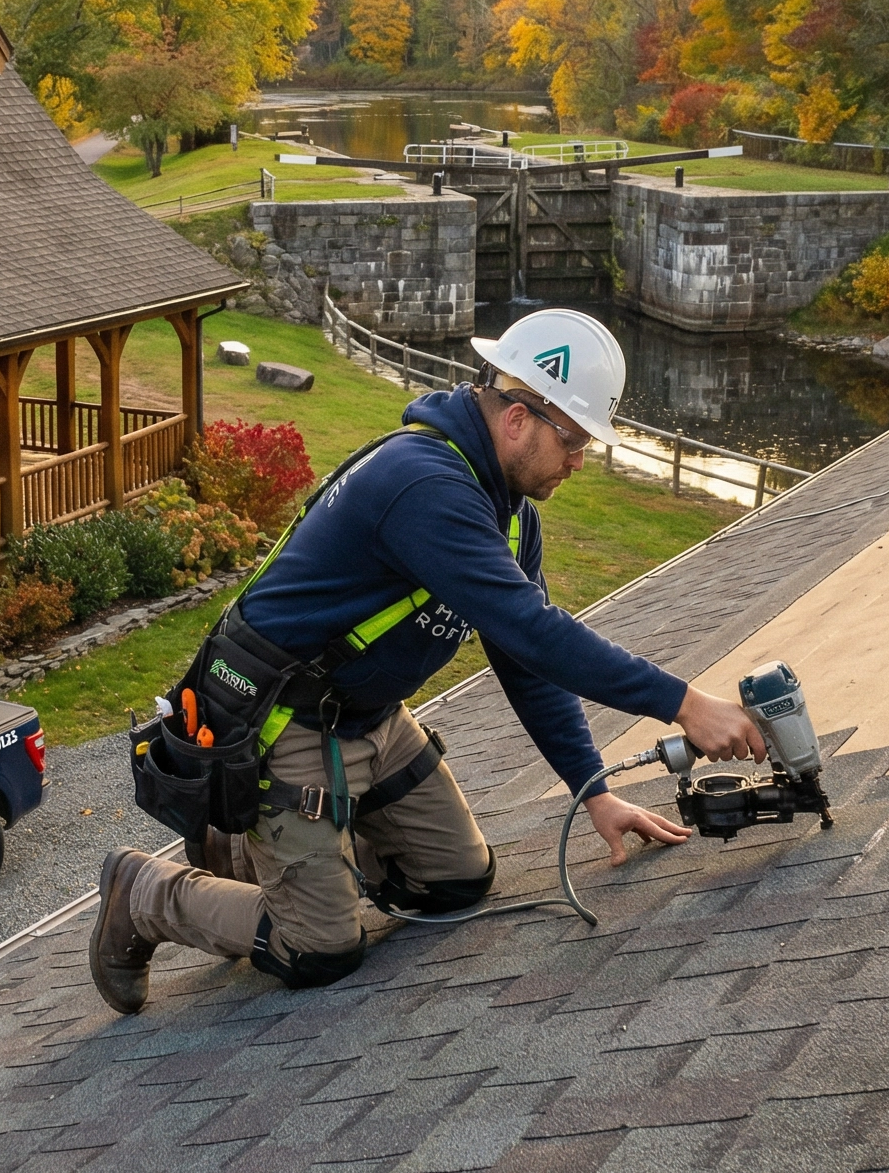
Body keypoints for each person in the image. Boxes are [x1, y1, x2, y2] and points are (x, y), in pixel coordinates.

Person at [90, 308, 766, 1013]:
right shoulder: (424, 485)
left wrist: (593, 792)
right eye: (573, 441)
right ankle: (145, 893)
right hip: (284, 722)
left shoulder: (511, 515)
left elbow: (524, 659)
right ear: (518, 419)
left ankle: (256, 850)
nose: (578, 461)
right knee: (319, 949)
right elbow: (538, 632)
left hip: (369, 716)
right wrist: (684, 704)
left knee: (456, 882)